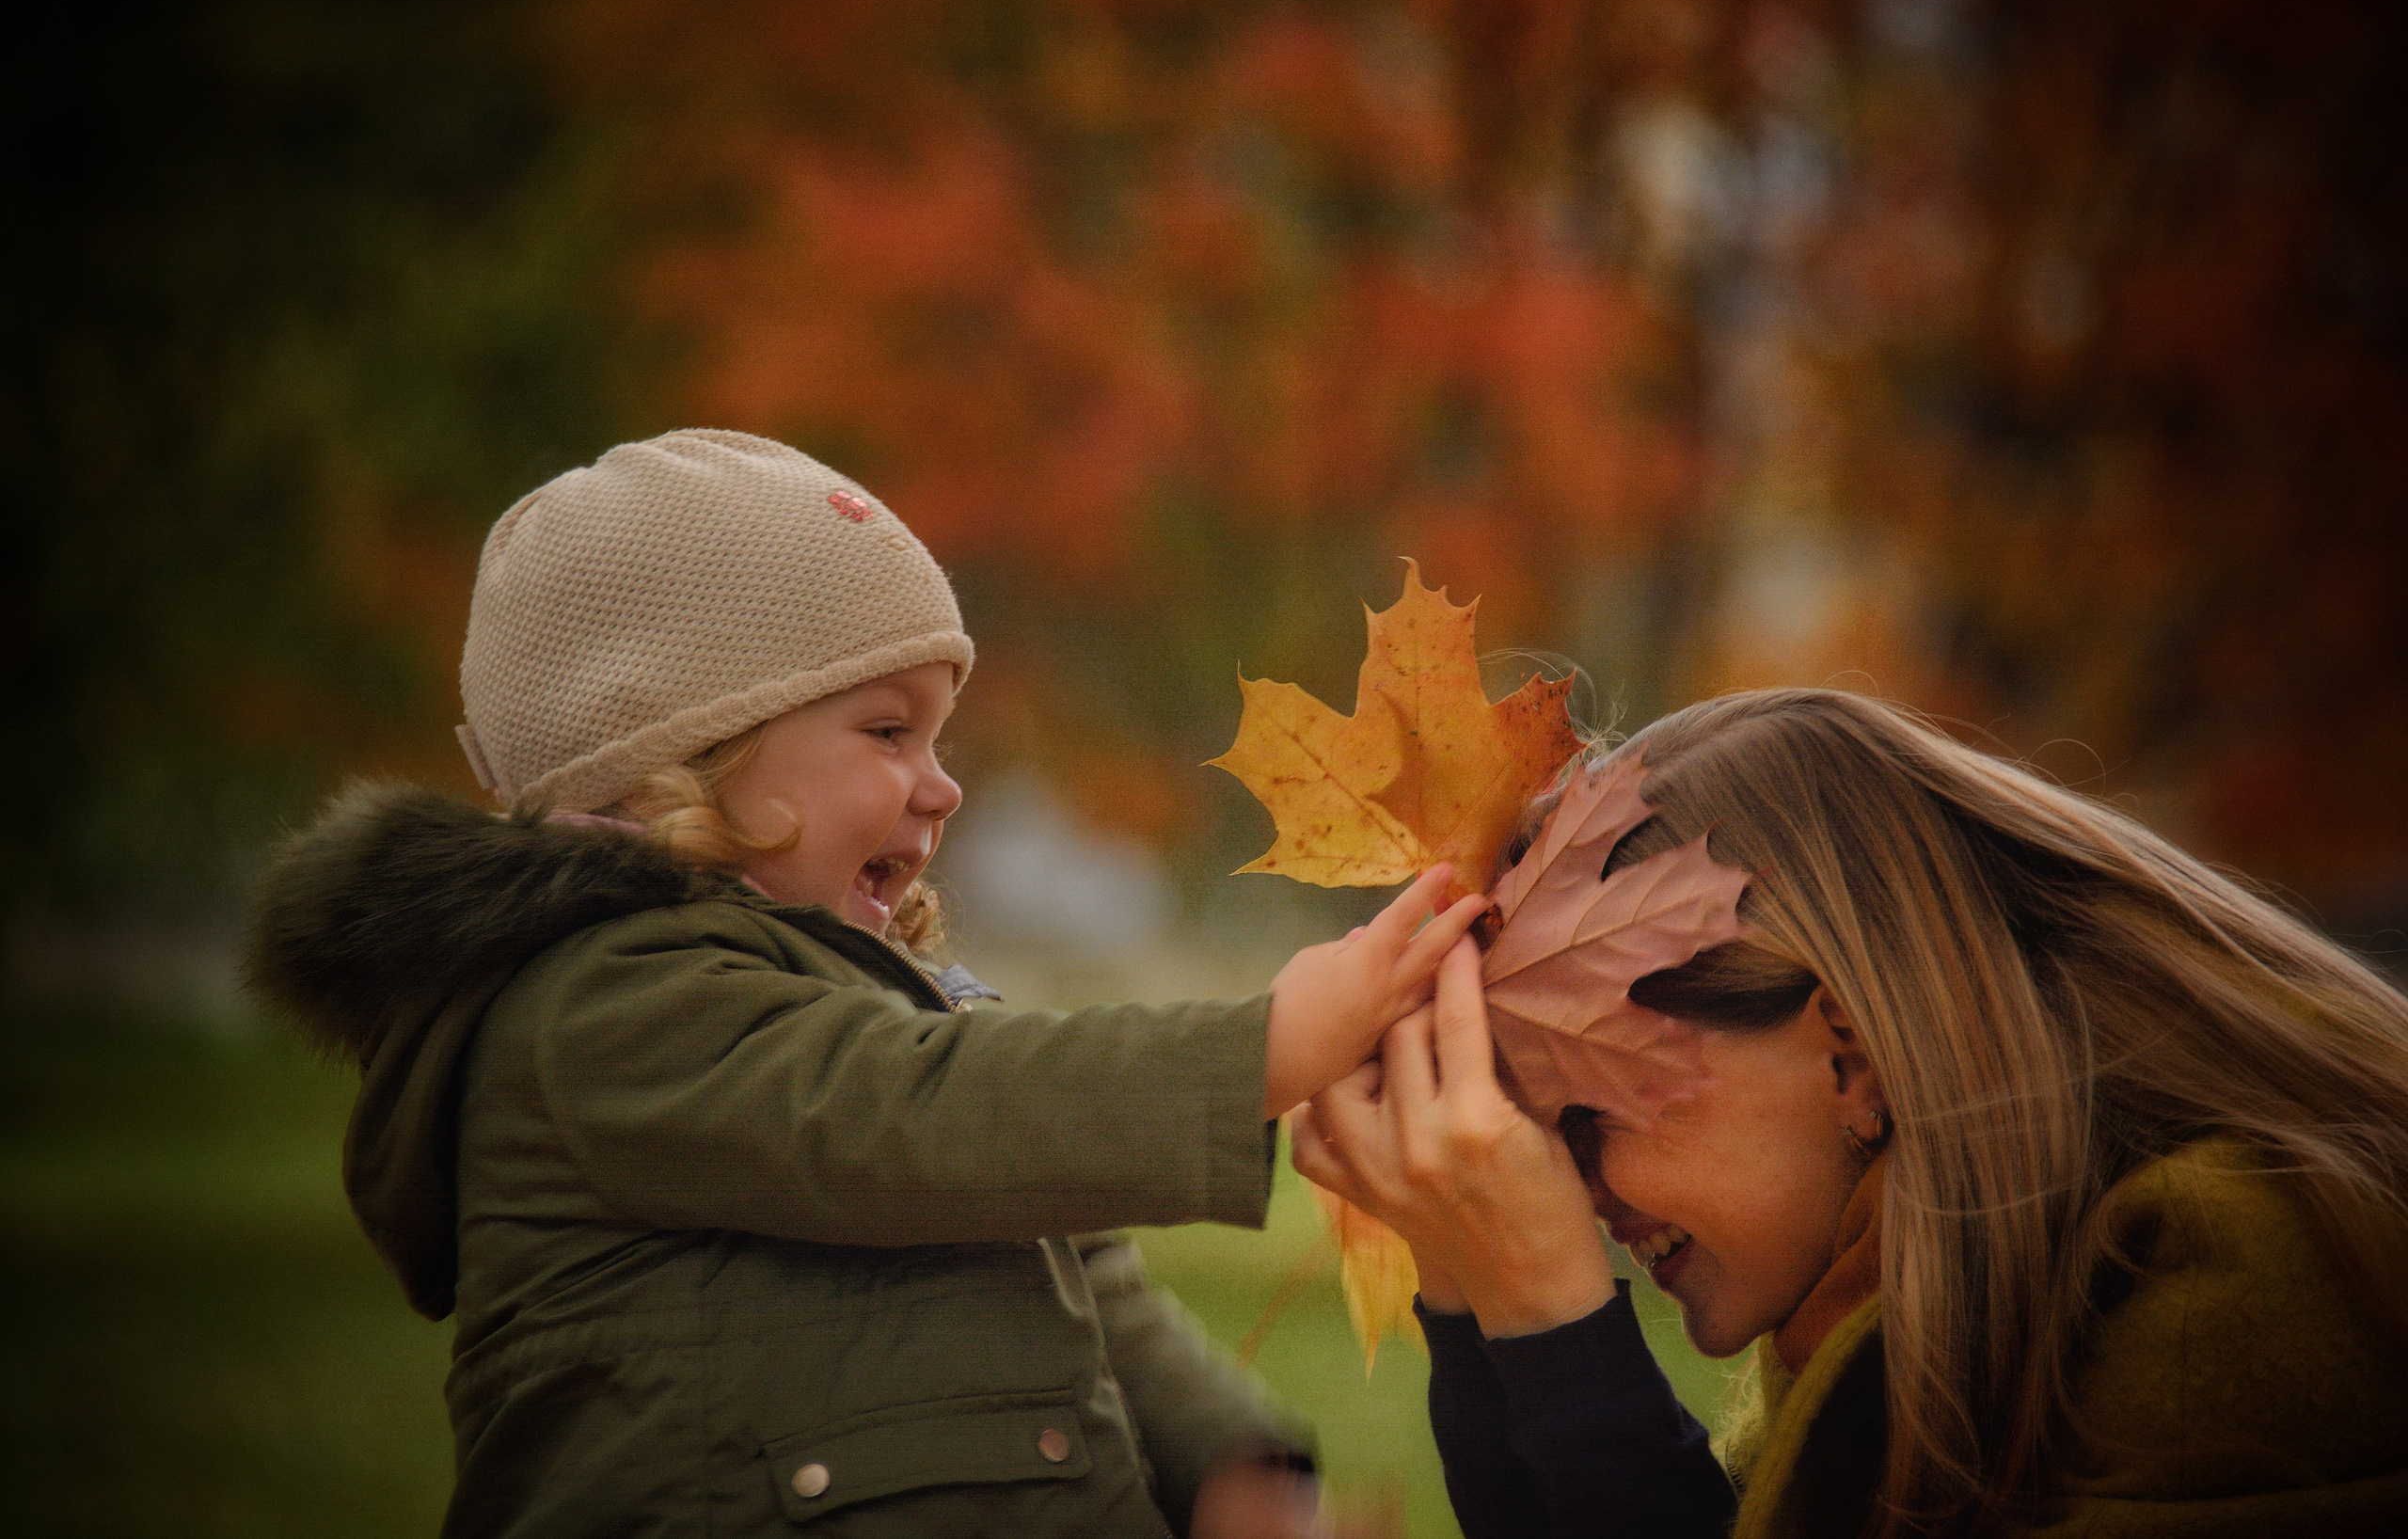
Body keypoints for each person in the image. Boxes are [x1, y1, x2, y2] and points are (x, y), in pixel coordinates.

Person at [244, 428, 1484, 1538]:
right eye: (888, 731)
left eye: (938, 736)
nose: (941, 785)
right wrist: (1263, 1044)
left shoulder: (877, 992)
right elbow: (912, 1115)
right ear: (686, 758)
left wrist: (1223, 1465)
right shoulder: (596, 1015)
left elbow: (1075, 1267)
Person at [1292, 688, 2408, 1538]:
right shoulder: (1876, 1324)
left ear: (1853, 1053)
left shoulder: (2223, 1303)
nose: (1567, 1194)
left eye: (1587, 1113)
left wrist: (1554, 1326)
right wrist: (1471, 1286)